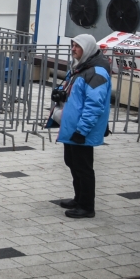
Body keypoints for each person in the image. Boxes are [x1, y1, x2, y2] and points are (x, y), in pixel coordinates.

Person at [52, 34, 111, 219]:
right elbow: (76, 94)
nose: (73, 49)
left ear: (87, 49)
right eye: (73, 45)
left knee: (83, 167)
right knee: (72, 162)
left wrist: (82, 130)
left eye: (77, 46)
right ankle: (79, 198)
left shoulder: (96, 72)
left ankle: (87, 206)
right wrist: (61, 95)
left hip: (81, 129)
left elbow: (94, 105)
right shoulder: (81, 68)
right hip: (73, 126)